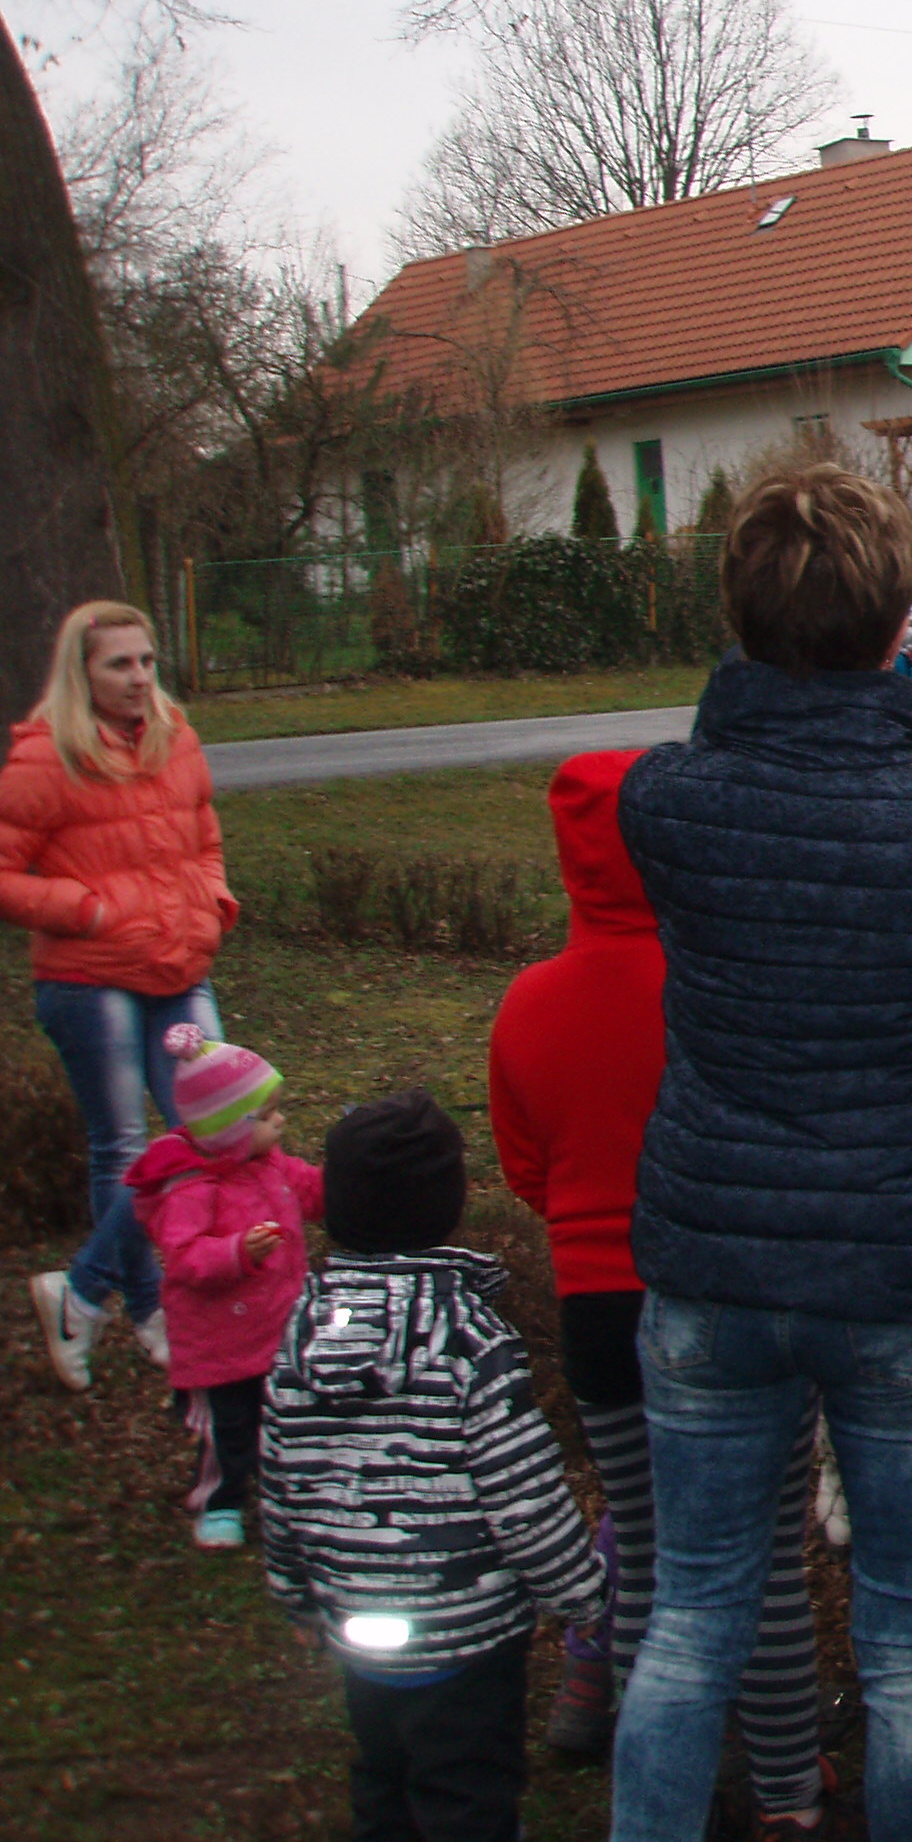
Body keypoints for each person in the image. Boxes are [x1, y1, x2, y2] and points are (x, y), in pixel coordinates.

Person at [609, 462, 912, 1842]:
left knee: (691, 1616)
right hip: (895, 1267)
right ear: (893, 628)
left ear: (739, 624)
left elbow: (716, 749)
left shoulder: (668, 798)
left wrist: (769, 689)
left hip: (713, 1261)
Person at [488, 750, 825, 1816]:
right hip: (735, 1292)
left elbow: (527, 1172)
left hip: (598, 1311)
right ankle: (787, 1788)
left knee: (642, 1558)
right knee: (766, 1561)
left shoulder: (529, 1005)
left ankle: (661, 1793)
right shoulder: (725, 987)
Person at [264, 1091, 604, 1842]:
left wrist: (295, 1593)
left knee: (381, 1778)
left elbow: (281, 1471)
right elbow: (522, 1491)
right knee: (467, 1792)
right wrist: (581, 1590)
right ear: (448, 1205)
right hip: (468, 1639)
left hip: (353, 1623)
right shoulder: (470, 1338)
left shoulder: (303, 1330)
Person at [7, 598, 236, 1391]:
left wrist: (213, 902)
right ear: (83, 674)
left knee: (214, 1131)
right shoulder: (46, 757)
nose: (139, 678)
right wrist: (84, 910)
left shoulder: (177, 738)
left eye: (146, 661)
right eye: (119, 664)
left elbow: (205, 836)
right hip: (89, 978)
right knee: (125, 1150)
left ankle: (78, 1293)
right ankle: (149, 1310)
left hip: (178, 968)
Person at [124, 1023, 319, 1548]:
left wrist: (350, 1182)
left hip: (274, 1328)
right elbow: (184, 1257)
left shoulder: (269, 1164)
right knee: (226, 1430)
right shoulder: (191, 1188)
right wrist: (236, 1253)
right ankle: (219, 1501)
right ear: (231, 1129)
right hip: (220, 1343)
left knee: (281, 1415)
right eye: (267, 1115)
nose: (280, 1121)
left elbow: (310, 1188)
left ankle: (284, 1491)